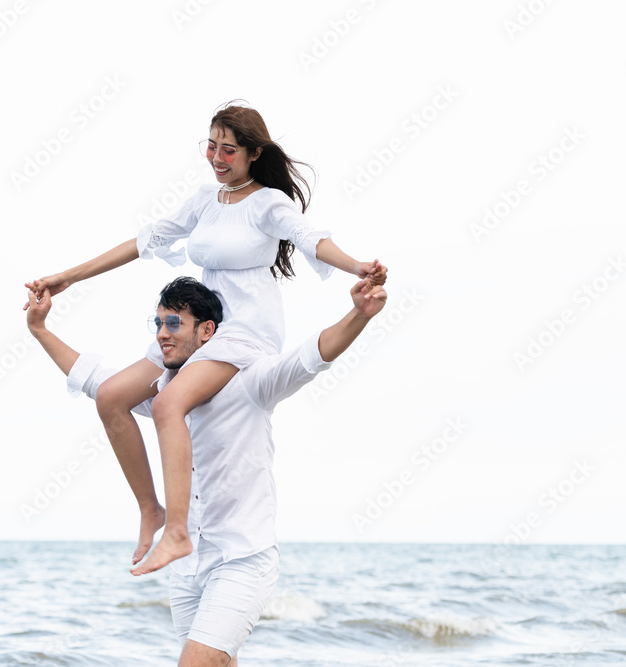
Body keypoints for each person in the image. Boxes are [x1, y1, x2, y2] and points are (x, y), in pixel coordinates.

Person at [24, 101, 388, 575]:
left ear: (254, 153)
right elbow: (143, 242)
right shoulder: (204, 200)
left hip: (243, 332)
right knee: (112, 397)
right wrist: (67, 277)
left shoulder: (268, 203)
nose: (217, 157)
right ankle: (151, 510)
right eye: (211, 147)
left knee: (168, 404)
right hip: (196, 327)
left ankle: (178, 533)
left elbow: (311, 238)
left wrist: (357, 266)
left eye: (229, 150)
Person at [26, 276, 388, 666]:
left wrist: (359, 314)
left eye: (174, 323)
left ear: (207, 331)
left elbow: (309, 356)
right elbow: (98, 382)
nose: (162, 334)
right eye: (159, 323)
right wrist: (39, 329)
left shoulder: (251, 383)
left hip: (242, 559)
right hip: (186, 570)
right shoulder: (163, 394)